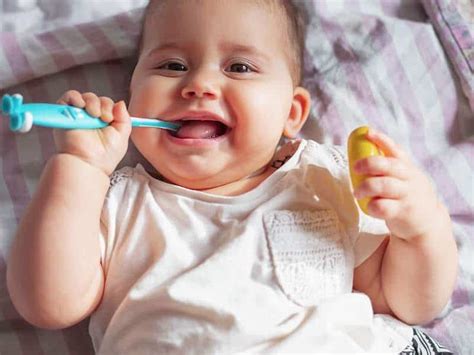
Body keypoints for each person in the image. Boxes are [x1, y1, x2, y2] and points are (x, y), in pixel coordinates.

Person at [6, 0, 457, 353]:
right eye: (172, 66)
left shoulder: (320, 182)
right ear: (132, 97)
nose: (198, 83)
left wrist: (420, 229)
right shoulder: (113, 203)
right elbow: (47, 303)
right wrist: (79, 168)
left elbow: (407, 302)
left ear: (292, 112)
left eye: (239, 67)